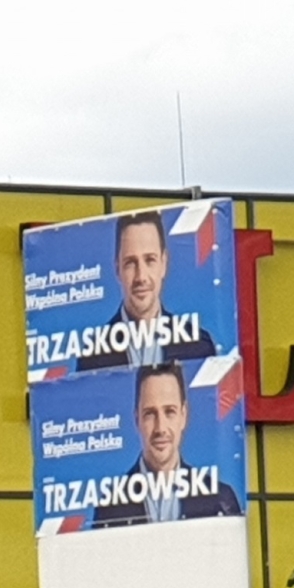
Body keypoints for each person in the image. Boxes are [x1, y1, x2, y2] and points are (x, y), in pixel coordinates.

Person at [92, 364, 242, 527]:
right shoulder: (111, 505)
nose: (160, 428)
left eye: (169, 411)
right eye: (150, 414)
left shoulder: (220, 499)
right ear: (137, 420)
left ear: (183, 416)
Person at [78, 212, 217, 373]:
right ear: (118, 270)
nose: (141, 277)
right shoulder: (94, 354)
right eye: (130, 263)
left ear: (163, 264)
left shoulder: (198, 346)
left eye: (150, 260)